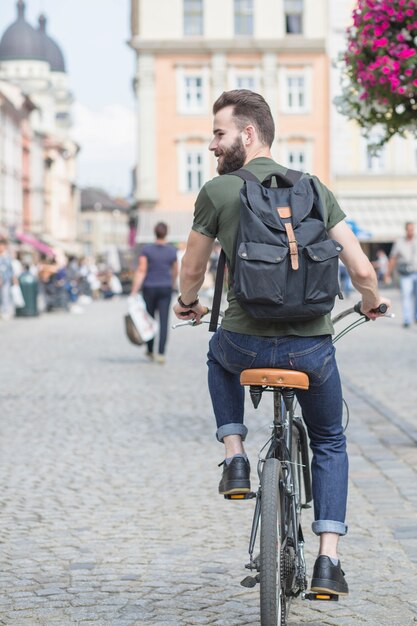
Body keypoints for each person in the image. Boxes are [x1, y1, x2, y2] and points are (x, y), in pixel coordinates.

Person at [173, 89, 391, 596]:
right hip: (310, 350)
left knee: (217, 355)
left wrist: (188, 302)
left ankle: (235, 455)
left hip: (244, 345)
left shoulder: (219, 191)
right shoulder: (315, 188)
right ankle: (329, 562)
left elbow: (193, 268)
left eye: (219, 133)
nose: (212, 145)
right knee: (331, 441)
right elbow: (360, 268)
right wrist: (371, 302)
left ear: (248, 135)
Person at [131, 222, 178, 363]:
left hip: (149, 287)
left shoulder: (147, 250)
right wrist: (172, 283)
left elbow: (141, 270)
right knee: (164, 321)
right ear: (166, 233)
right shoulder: (172, 251)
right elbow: (176, 270)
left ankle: (150, 350)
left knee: (150, 320)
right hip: (165, 287)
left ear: (154, 232)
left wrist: (134, 290)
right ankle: (161, 353)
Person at [385, 222, 417, 328]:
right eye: (409, 229)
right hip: (405, 274)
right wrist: (387, 274)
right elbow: (393, 258)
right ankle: (407, 319)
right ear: (406, 230)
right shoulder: (400, 242)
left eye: (412, 229)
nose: (411, 231)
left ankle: (416, 318)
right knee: (406, 296)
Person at [0, 236, 16, 320]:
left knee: (5, 295)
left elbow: (10, 268)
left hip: (6, 280)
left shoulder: (7, 256)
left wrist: (14, 278)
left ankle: (5, 311)